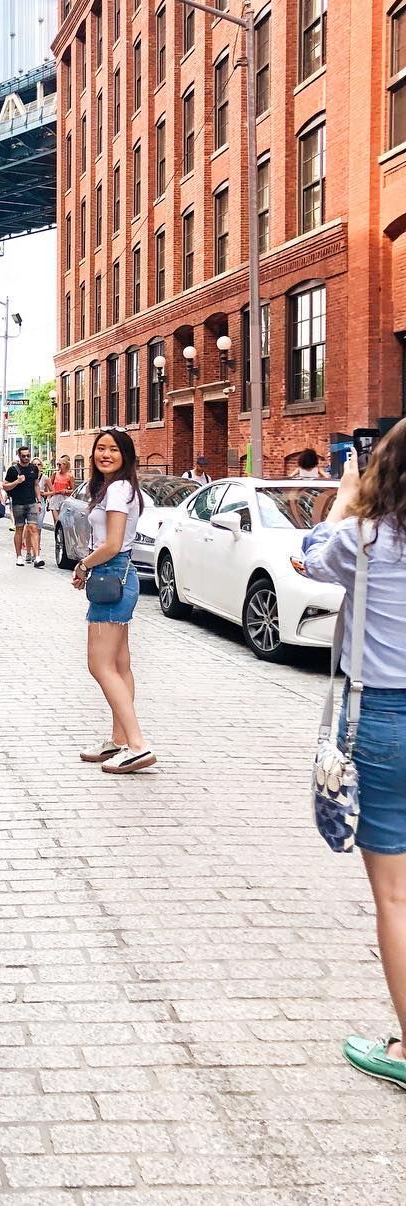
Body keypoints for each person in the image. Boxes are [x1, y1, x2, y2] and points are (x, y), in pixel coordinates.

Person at [302, 423, 406, 1090]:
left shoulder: (364, 539)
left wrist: (343, 499)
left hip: (384, 722)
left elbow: (309, 557)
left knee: (396, 896)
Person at [72, 428, 156, 774]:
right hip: (119, 575)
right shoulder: (119, 488)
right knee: (120, 665)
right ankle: (120, 739)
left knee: (100, 665)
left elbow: (112, 544)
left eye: (113, 450)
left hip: (111, 574)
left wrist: (83, 565)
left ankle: (137, 745)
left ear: (126, 456)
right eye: (100, 448)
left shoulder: (118, 490)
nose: (105, 454)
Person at [4, 445, 44, 566]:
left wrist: (39, 501)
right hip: (18, 503)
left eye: (28, 456)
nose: (26, 458)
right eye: (23, 456)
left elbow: (36, 485)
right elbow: (5, 486)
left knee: (33, 528)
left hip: (31, 502)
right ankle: (19, 556)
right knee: (19, 529)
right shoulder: (13, 470)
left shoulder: (34, 468)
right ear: (19, 456)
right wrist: (17, 481)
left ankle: (37, 557)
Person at [48, 457, 76, 527]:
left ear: (65, 465)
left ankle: (60, 533)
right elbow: (49, 486)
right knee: (56, 520)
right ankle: (56, 532)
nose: (58, 466)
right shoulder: (55, 474)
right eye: (57, 464)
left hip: (65, 499)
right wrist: (48, 497)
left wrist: (67, 491)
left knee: (63, 521)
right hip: (55, 498)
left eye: (60, 464)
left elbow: (74, 490)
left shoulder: (70, 476)